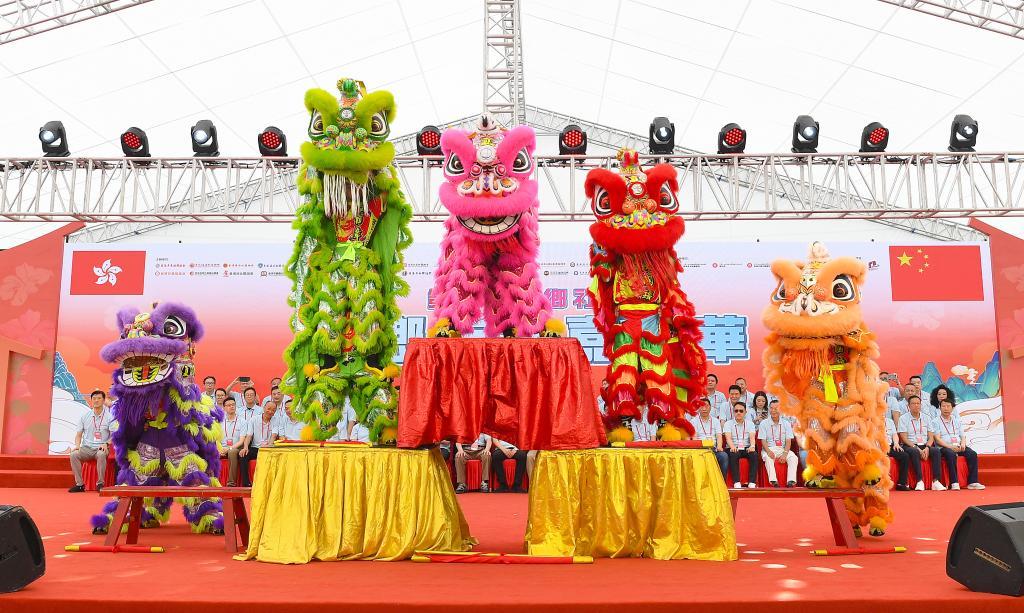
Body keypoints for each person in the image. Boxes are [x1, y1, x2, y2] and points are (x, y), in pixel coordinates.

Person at [932, 398, 985, 490]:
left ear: (952, 408)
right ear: (940, 408)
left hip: (958, 445)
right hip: (944, 447)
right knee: (950, 454)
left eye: (948, 406)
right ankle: (954, 482)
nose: (946, 408)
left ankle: (973, 482)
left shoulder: (957, 421)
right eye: (943, 406)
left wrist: (963, 444)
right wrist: (950, 446)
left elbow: (962, 436)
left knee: (972, 454)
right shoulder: (935, 421)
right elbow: (937, 439)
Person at [69, 390, 113, 492]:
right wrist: (77, 446)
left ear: (103, 401)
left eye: (99, 398)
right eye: (94, 398)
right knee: (74, 455)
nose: (96, 400)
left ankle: (100, 484)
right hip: (86, 448)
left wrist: (106, 443)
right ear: (91, 400)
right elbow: (78, 435)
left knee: (101, 454)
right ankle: (80, 484)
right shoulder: (85, 417)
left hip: (101, 448)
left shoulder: (110, 417)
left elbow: (114, 435)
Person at [897, 395, 944, 490]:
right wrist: (917, 448)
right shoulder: (903, 418)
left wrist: (927, 448)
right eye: (913, 403)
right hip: (910, 445)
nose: (916, 405)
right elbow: (904, 438)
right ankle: (919, 481)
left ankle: (936, 481)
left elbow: (931, 437)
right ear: (908, 406)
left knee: (936, 451)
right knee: (914, 451)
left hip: (925, 445)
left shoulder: (927, 418)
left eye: (918, 403)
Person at [757, 402, 798, 487]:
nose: (773, 410)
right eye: (771, 408)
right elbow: (763, 440)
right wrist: (768, 451)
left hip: (782, 449)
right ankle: (773, 481)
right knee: (768, 458)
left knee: (793, 457)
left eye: (776, 408)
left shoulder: (786, 423)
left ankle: (791, 481)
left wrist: (785, 453)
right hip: (769, 448)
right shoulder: (764, 423)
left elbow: (788, 440)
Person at [688, 397, 728, 479]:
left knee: (724, 456)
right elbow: (694, 437)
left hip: (714, 449)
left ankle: (721, 482)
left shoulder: (716, 421)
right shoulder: (694, 421)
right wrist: (699, 449)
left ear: (710, 407)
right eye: (701, 406)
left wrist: (719, 447)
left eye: (706, 406)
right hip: (700, 449)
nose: (704, 409)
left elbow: (719, 436)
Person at [240, 401, 276, 487]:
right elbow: (249, 435)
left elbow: (274, 436)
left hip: (269, 449)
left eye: (273, 410)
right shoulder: (254, 419)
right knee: (243, 455)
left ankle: (270, 484)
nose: (270, 411)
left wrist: (268, 446)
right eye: (268, 409)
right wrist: (245, 447)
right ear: (264, 408)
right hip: (256, 448)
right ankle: (246, 483)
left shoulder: (276, 420)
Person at [724, 402, 759, 488]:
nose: (738, 413)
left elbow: (752, 438)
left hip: (746, 447)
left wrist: (752, 446)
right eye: (736, 411)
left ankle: (752, 482)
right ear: (733, 412)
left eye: (741, 411)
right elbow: (728, 438)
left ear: (745, 412)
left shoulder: (750, 424)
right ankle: (736, 482)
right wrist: (732, 447)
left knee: (754, 454)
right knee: (734, 454)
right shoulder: (728, 423)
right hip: (733, 447)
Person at [220, 397, 244, 486]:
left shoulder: (242, 421)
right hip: (222, 448)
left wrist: (229, 448)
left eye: (233, 405)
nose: (232, 407)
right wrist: (219, 449)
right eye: (229, 405)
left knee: (232, 452)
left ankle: (231, 483)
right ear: (224, 408)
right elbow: (216, 439)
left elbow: (241, 441)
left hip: (236, 448)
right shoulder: (220, 421)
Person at [885, 412, 910, 491]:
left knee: (904, 456)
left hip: (890, 446)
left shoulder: (890, 421)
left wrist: (896, 443)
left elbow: (894, 434)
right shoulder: (872, 422)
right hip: (878, 447)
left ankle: (901, 483)